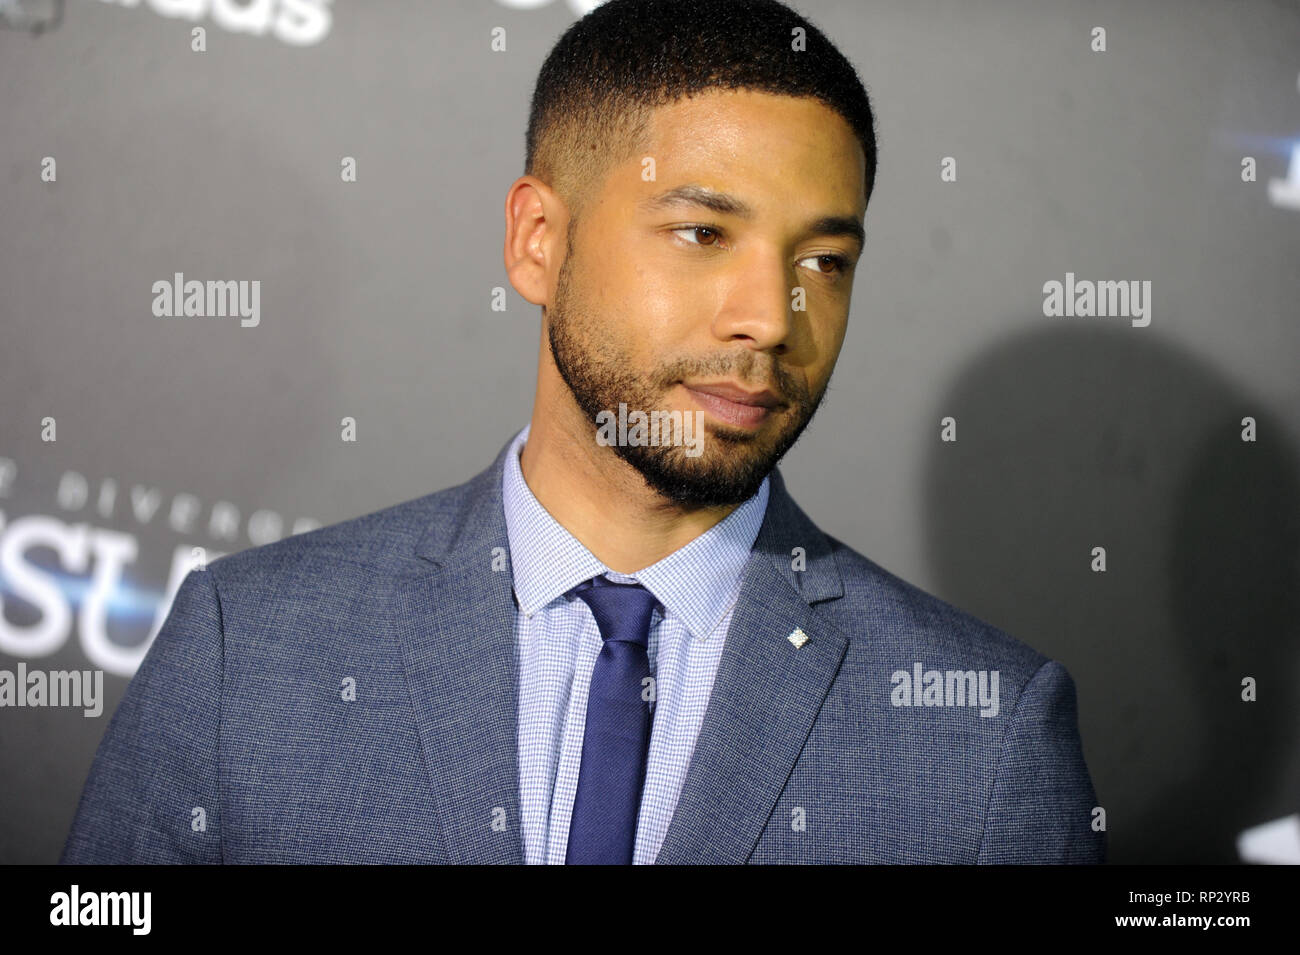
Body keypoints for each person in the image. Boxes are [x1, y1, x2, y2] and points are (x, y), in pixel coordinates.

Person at [61, 0, 1104, 865]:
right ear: (537, 243)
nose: (771, 316)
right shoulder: (250, 648)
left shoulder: (984, 736)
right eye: (702, 233)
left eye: (823, 260)